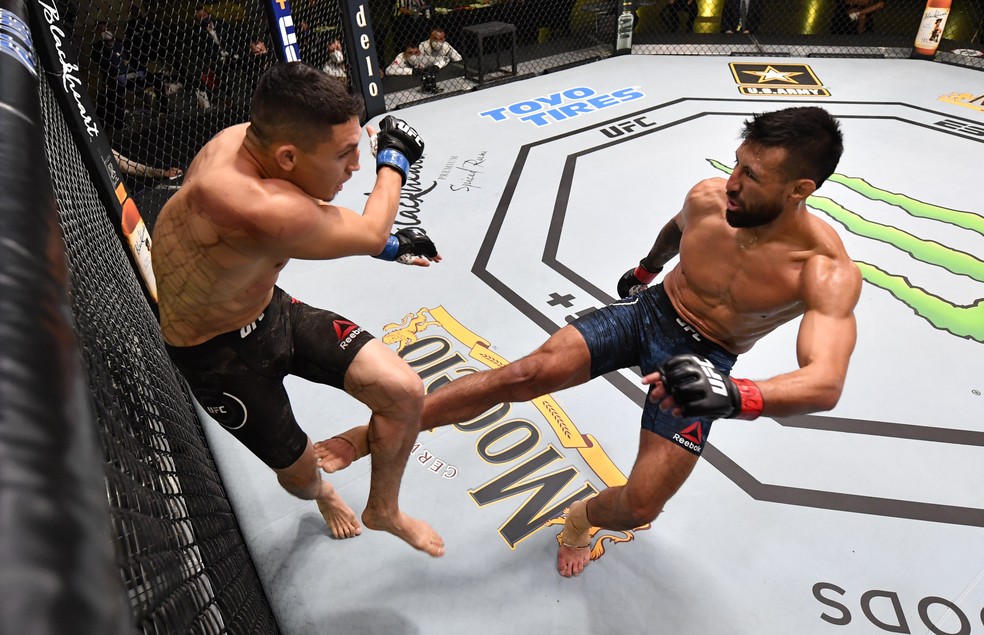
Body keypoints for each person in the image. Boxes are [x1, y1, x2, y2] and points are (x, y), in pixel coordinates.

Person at [317, 106, 861, 577]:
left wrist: (735, 393)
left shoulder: (822, 269)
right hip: (650, 312)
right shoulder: (709, 199)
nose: (733, 182)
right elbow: (677, 229)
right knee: (521, 375)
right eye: (738, 162)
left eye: (753, 174)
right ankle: (370, 437)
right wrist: (649, 266)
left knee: (642, 504)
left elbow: (825, 382)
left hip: (705, 360)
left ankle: (579, 521)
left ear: (799, 191)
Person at [151, 62, 445, 556]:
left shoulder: (249, 140)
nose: (355, 166)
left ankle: (384, 510)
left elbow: (326, 233)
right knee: (303, 474)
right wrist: (394, 159)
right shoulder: (253, 201)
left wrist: (394, 248)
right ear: (287, 157)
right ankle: (324, 494)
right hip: (217, 358)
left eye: (361, 150)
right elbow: (369, 231)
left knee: (404, 391)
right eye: (345, 154)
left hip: (270, 311)